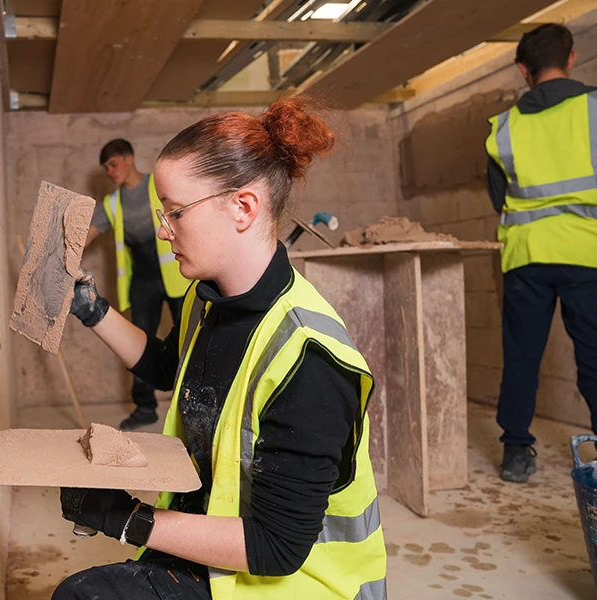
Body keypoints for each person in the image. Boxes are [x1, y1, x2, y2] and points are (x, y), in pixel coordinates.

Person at [55, 99, 387, 599]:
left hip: (297, 586)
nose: (164, 229)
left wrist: (131, 520)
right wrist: (92, 309)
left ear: (243, 207)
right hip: (220, 550)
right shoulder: (208, 298)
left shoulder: (309, 359)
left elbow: (277, 547)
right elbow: (168, 366)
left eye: (175, 212)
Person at [485, 24, 597, 483]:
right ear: (571, 58)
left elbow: (499, 198)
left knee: (522, 357)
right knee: (594, 356)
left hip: (527, 256)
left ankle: (516, 453)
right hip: (587, 252)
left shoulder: (502, 128)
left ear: (522, 70)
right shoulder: (593, 108)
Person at [86, 139, 191, 430]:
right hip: (142, 280)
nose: (110, 171)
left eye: (113, 164)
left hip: (176, 274)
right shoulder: (112, 203)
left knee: (191, 337)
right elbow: (87, 235)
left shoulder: (157, 187)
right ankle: (145, 407)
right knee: (138, 341)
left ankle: (191, 399)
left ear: (129, 158)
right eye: (106, 168)